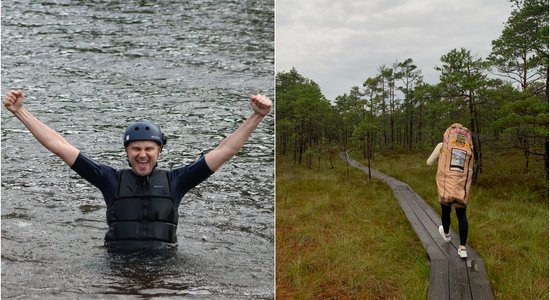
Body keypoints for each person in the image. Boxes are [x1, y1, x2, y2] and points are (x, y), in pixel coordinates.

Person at [3, 89, 272, 251]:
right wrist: (20, 111)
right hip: (117, 265)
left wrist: (257, 116)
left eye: (149, 149)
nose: (142, 155)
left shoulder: (177, 181)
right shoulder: (109, 179)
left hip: (164, 265)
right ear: (127, 152)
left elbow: (225, 151)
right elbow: (58, 145)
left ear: (159, 151)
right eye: (135, 149)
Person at [427, 123, 474, 258]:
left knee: (445, 210)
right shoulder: (468, 147)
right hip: (460, 187)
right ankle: (463, 248)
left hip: (446, 184)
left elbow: (429, 162)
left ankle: (446, 234)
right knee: (461, 215)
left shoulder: (442, 145)